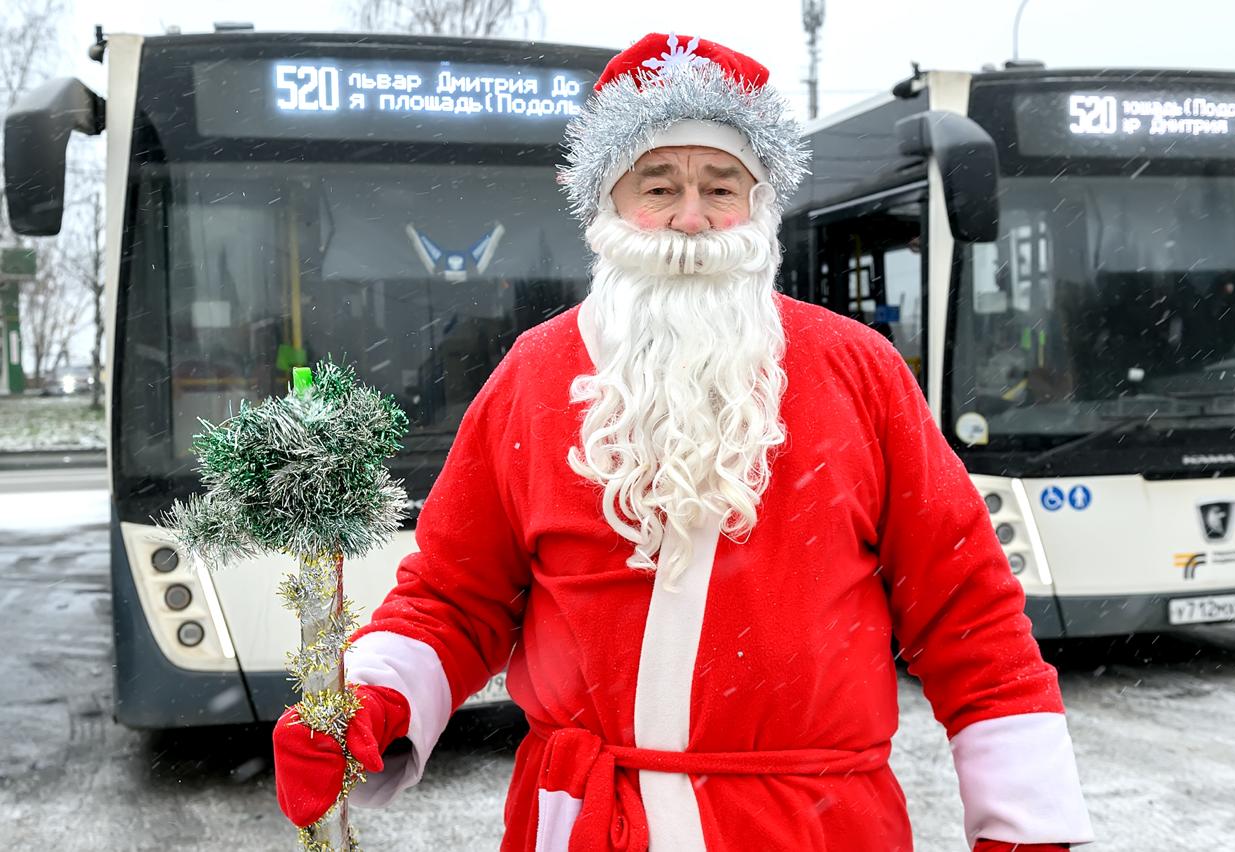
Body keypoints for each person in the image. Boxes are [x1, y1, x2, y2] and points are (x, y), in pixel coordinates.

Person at [273, 33, 1094, 851]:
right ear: (610, 205)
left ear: (758, 203)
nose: (691, 218)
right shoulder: (534, 374)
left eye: (720, 185)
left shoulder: (858, 370)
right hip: (590, 823)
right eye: (657, 185)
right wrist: (372, 699)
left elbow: (967, 612)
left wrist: (1027, 826)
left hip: (813, 827)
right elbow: (457, 594)